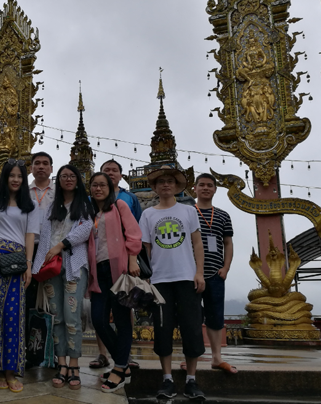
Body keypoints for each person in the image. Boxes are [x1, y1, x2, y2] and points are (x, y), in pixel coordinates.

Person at [139, 166, 206, 400]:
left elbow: (197, 243)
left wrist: (199, 272)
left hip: (187, 277)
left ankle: (191, 379)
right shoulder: (148, 215)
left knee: (192, 327)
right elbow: (146, 248)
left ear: (177, 186)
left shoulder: (188, 211)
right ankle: (167, 378)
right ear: (155, 187)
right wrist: (147, 276)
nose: (165, 185)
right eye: (161, 182)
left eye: (170, 181)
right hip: (160, 280)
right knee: (162, 328)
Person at [0, 159, 40, 393]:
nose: (15, 179)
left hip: (17, 259)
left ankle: (11, 370)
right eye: (11, 175)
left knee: (13, 314)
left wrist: (28, 265)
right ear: (4, 178)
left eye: (19, 176)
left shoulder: (30, 205)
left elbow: (30, 235)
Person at [32, 164, 94, 390]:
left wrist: (62, 245)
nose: (68, 179)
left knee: (72, 316)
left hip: (74, 264)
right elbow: (45, 238)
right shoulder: (52, 207)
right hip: (51, 267)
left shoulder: (84, 205)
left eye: (72, 176)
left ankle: (74, 364)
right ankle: (61, 363)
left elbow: (85, 229)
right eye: (64, 176)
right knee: (57, 316)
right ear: (58, 181)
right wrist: (38, 266)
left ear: (78, 180)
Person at [87, 172, 142, 394]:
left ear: (110, 187)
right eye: (94, 185)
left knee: (121, 319)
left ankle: (119, 369)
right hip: (97, 271)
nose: (98, 189)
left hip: (118, 269)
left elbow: (134, 234)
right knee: (98, 320)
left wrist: (132, 260)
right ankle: (123, 363)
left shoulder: (119, 206)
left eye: (103, 185)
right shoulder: (89, 212)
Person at [193, 173, 236, 374]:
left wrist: (226, 268)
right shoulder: (187, 213)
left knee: (215, 316)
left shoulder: (223, 215)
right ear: (194, 188)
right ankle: (191, 356)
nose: (205, 188)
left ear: (215, 189)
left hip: (216, 273)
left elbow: (228, 243)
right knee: (191, 316)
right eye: (201, 185)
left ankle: (217, 357)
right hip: (191, 273)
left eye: (210, 185)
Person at [27, 152, 55, 320]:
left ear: (51, 168)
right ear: (31, 168)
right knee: (29, 291)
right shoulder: (23, 191)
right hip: (28, 247)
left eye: (45, 163)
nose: (41, 167)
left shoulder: (58, 191)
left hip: (51, 248)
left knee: (51, 292)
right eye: (37, 163)